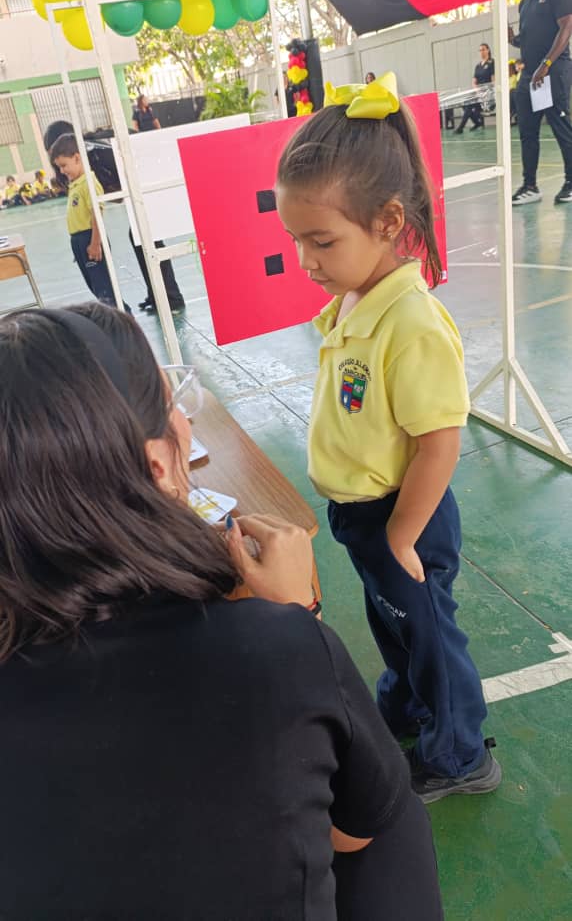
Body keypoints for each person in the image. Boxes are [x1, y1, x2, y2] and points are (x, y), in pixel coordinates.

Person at [0, 304, 444, 921]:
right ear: (158, 465)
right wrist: (297, 620)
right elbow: (351, 832)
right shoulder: (274, 650)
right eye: (172, 407)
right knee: (392, 816)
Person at [275, 74, 502, 804]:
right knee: (394, 624)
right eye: (296, 240)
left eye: (321, 241)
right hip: (364, 518)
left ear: (387, 221)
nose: (306, 259)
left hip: (404, 517)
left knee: (431, 638)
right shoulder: (356, 297)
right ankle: (406, 706)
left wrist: (403, 535)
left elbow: (439, 442)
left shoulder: (411, 321)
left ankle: (460, 754)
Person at [44, 120, 186, 314]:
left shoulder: (96, 153)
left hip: (155, 172)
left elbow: (126, 185)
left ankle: (170, 298)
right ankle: (159, 295)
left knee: (143, 235)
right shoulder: (86, 158)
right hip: (141, 177)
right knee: (138, 234)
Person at [510, 0, 572, 205]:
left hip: (551, 71)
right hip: (530, 75)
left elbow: (567, 27)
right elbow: (527, 40)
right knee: (527, 131)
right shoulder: (526, 1)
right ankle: (530, 185)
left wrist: (546, 64)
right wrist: (512, 39)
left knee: (560, 125)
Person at [50, 133, 130, 311]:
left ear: (77, 158)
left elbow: (97, 215)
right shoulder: (76, 183)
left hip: (90, 238)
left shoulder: (89, 183)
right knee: (96, 287)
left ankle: (124, 317)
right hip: (80, 241)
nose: (62, 171)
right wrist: (78, 247)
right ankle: (119, 316)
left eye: (64, 165)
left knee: (105, 290)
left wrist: (94, 243)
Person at [454, 43, 495, 134]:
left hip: (487, 95)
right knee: (464, 102)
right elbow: (474, 81)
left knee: (469, 104)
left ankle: (461, 127)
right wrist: (477, 91)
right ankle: (477, 122)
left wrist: (486, 92)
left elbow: (493, 81)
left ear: (488, 50)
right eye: (480, 50)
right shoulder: (478, 66)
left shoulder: (492, 63)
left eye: (483, 49)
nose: (481, 52)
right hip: (478, 93)